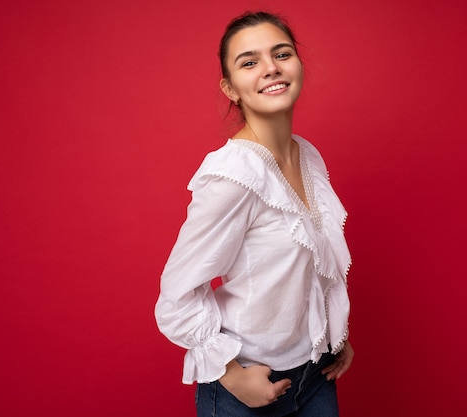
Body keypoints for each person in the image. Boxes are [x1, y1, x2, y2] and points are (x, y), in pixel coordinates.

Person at [154, 11, 353, 417]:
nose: (271, 68)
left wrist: (334, 333)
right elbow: (175, 295)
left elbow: (310, 263)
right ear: (231, 88)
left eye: (282, 54)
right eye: (249, 62)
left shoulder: (307, 154)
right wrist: (229, 373)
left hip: (315, 377)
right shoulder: (235, 174)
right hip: (249, 386)